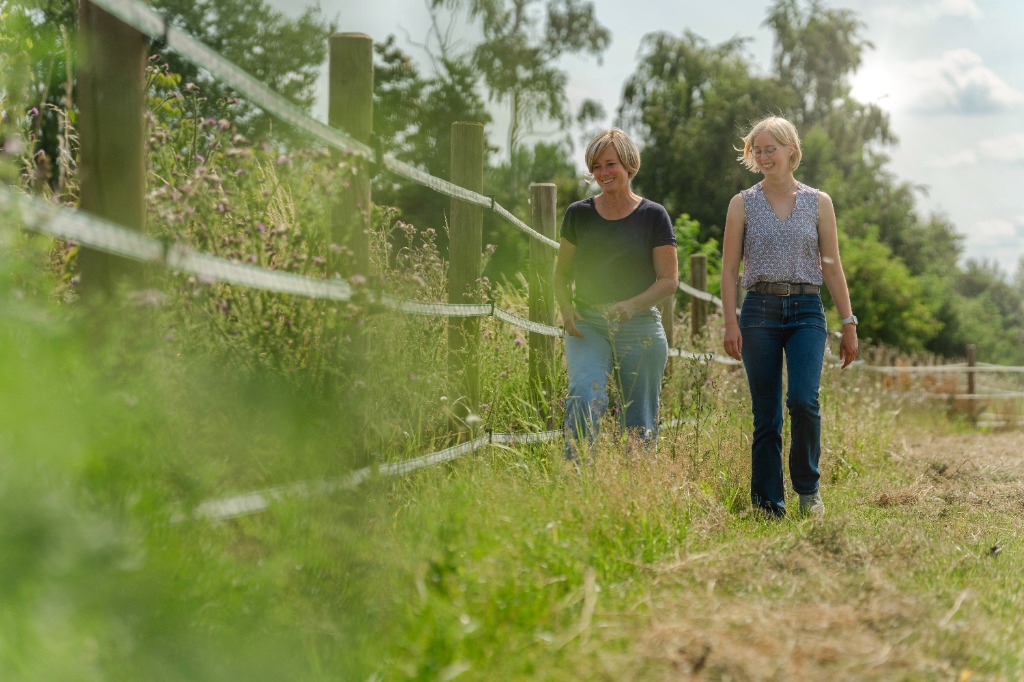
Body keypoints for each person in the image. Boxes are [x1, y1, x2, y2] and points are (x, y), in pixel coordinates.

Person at [721, 115, 859, 518]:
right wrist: (731, 322)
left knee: (803, 400)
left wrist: (848, 323)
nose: (764, 156)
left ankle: (807, 490)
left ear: (791, 151)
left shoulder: (819, 202)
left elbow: (831, 265)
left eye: (771, 149)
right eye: (757, 150)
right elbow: (729, 269)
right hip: (759, 312)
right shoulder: (741, 203)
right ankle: (767, 504)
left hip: (806, 311)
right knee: (766, 415)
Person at [554, 128, 678, 460]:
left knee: (639, 419)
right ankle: (576, 477)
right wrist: (566, 309)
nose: (603, 173)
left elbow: (668, 280)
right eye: (596, 167)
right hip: (588, 325)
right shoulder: (578, 214)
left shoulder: (654, 216)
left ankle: (634, 490)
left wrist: (631, 305)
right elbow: (560, 275)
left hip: (639, 326)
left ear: (628, 164)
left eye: (610, 164)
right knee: (584, 395)